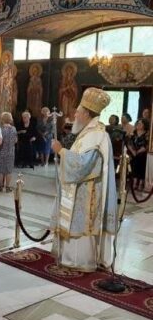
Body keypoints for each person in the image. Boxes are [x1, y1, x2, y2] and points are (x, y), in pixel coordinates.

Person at [50, 87, 117, 272]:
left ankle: (80, 261)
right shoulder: (88, 132)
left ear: (87, 113)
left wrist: (61, 151)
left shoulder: (97, 135)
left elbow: (84, 165)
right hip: (79, 189)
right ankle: (69, 258)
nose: (75, 115)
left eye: (78, 111)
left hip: (87, 193)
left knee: (81, 226)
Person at [0, 112, 17, 192]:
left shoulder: (1, 129)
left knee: (1, 170)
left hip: (2, 151)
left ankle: (0, 187)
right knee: (9, 170)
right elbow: (15, 140)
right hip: (11, 152)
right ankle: (8, 187)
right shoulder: (14, 129)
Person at [128, 119, 150, 191]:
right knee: (134, 164)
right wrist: (133, 151)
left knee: (141, 164)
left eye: (140, 123)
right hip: (133, 153)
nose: (138, 124)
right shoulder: (134, 133)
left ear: (144, 125)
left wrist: (138, 152)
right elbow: (129, 143)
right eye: (138, 123)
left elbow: (146, 145)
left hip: (142, 153)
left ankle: (140, 183)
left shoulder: (147, 134)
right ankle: (134, 182)